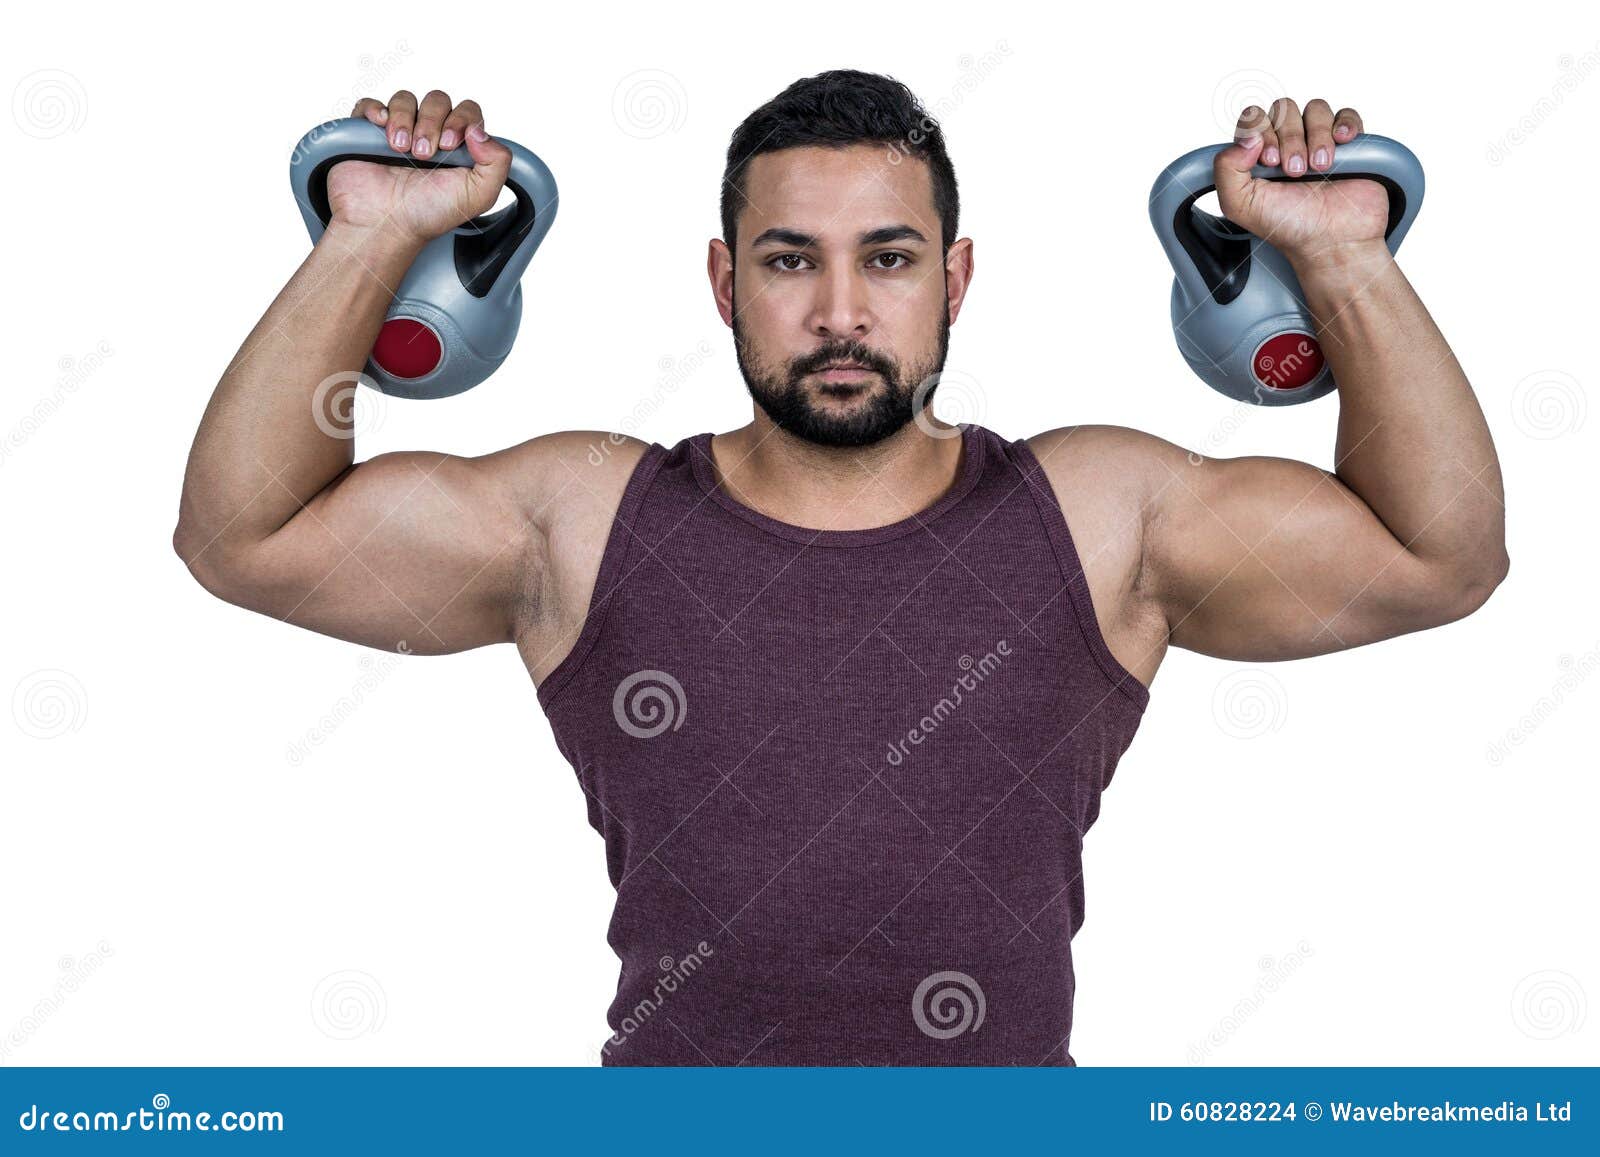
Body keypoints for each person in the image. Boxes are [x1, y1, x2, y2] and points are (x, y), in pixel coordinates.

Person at [173, 71, 1508, 1065]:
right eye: (788, 261)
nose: (840, 312)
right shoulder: (583, 516)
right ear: (724, 283)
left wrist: (1341, 256)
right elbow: (243, 538)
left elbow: (1440, 555)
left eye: (889, 258)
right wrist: (370, 236)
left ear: (955, 280)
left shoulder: (1100, 515)